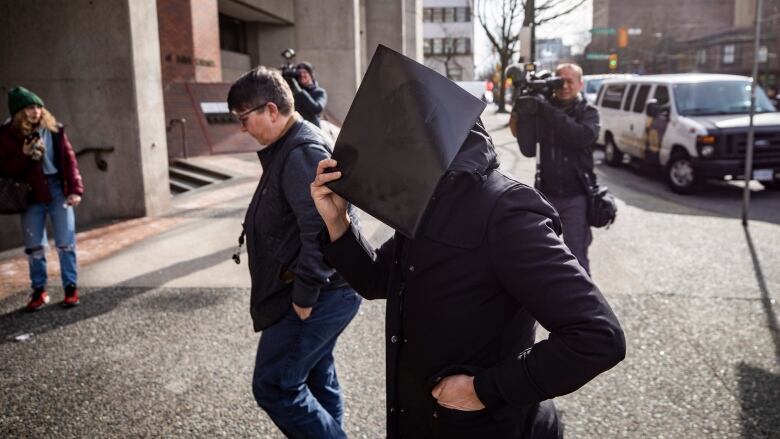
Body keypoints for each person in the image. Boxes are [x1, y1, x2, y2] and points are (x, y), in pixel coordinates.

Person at [311, 120, 626, 438]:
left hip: (486, 427)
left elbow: (597, 337)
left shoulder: (508, 212)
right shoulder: (428, 201)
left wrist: (484, 389)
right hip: (421, 418)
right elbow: (377, 279)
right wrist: (338, 221)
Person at [227, 66, 361, 439]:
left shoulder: (302, 149)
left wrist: (304, 294)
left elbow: (319, 229)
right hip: (323, 290)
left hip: (318, 294)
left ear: (271, 110)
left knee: (274, 385)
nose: (242, 128)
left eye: (243, 118)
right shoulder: (290, 144)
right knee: (317, 375)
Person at [0, 87, 84, 310]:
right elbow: (6, 170)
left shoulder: (54, 130)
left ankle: (70, 288)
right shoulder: (9, 134)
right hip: (30, 194)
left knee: (66, 242)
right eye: (29, 107)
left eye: (38, 106)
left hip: (56, 189)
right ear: (19, 112)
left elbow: (70, 160)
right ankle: (39, 290)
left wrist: (75, 189)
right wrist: (23, 154)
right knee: (34, 245)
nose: (36, 111)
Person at [513, 63, 599, 273]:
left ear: (581, 84)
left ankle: (582, 304)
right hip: (546, 194)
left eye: (570, 81)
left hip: (576, 195)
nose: (565, 86)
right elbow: (527, 148)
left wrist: (545, 109)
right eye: (560, 80)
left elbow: (580, 136)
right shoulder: (542, 109)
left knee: (576, 256)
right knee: (543, 254)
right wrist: (522, 109)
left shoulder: (588, 112)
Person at [289, 62, 327, 127]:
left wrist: (299, 91)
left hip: (312, 129)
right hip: (295, 128)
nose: (301, 75)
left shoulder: (320, 92)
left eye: (304, 72)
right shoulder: (293, 91)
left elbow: (317, 109)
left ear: (311, 75)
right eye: (299, 73)